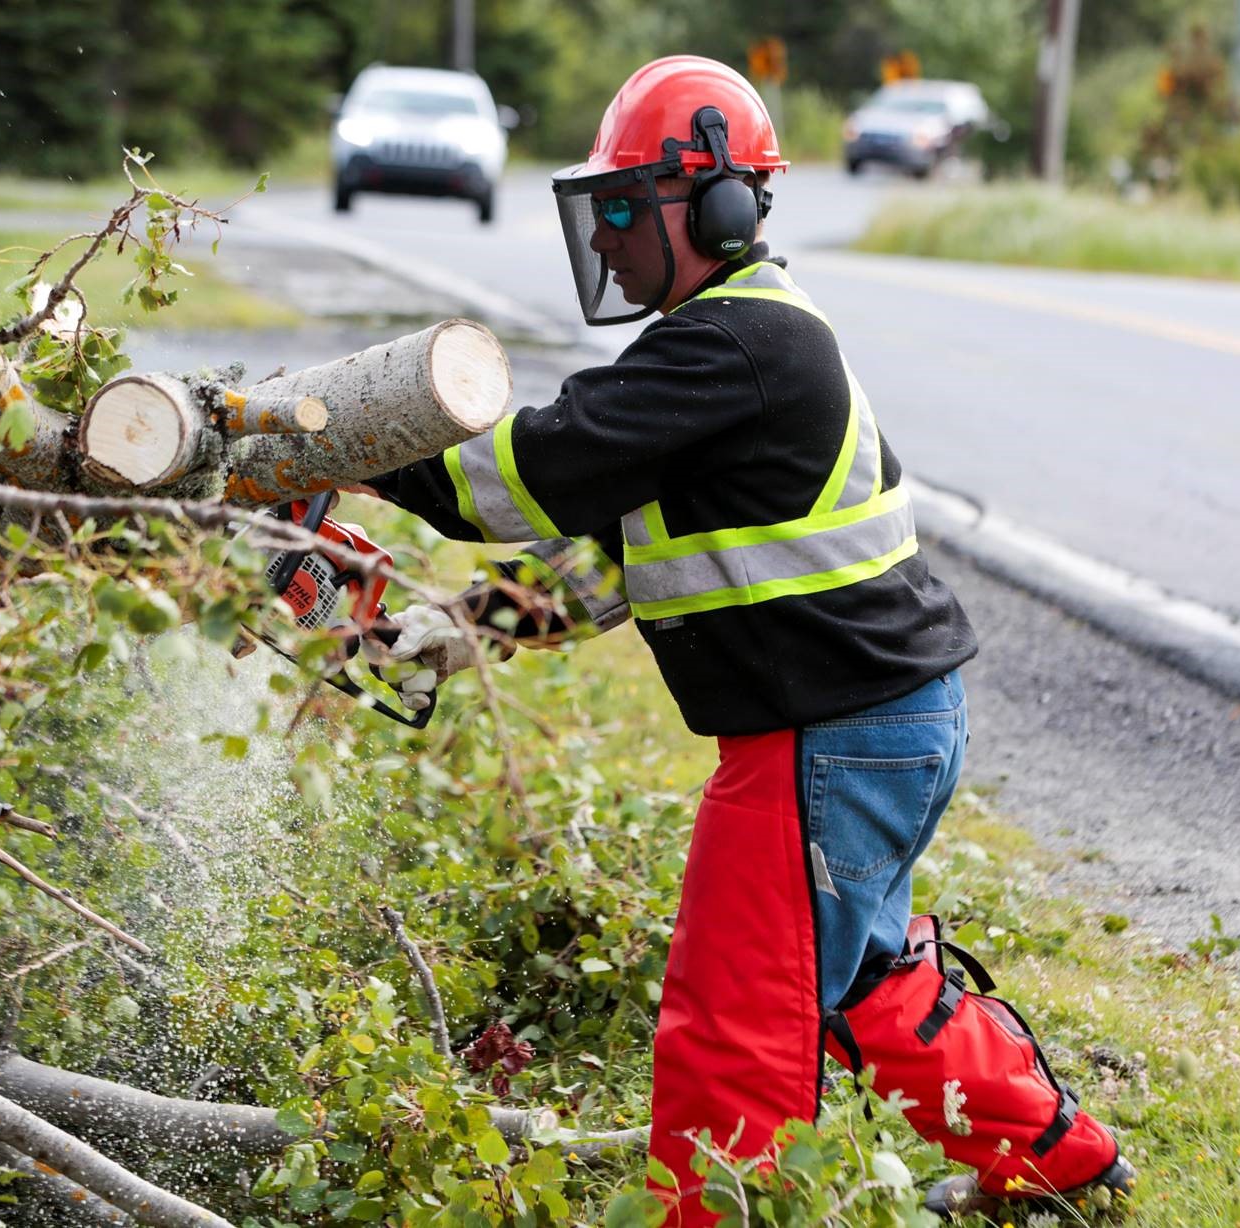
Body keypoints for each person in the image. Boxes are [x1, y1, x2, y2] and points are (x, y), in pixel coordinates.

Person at [364, 55, 1134, 1223]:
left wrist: (346, 441)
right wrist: (465, 625)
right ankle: (1058, 1167)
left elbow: (517, 477)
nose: (606, 236)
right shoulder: (737, 343)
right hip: (882, 721)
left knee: (736, 1015)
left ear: (720, 204)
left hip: (820, 737)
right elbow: (621, 552)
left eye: (627, 207)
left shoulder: (730, 346)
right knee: (865, 982)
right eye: (599, 209)